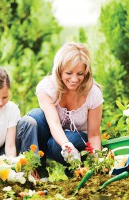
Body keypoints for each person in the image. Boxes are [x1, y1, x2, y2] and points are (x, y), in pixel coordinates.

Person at [27, 42, 103, 177]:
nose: (74, 79)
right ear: (59, 70)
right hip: (55, 140)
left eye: (80, 74)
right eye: (69, 73)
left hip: (78, 141)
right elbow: (53, 123)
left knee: (65, 141)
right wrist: (67, 147)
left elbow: (94, 134)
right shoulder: (47, 87)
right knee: (35, 116)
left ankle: (75, 172)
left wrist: (98, 162)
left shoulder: (93, 93)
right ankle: (39, 172)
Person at [0, 65, 38, 158]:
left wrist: (11, 167)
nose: (0, 102)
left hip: (0, 155)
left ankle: (31, 167)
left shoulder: (11, 109)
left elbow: (10, 146)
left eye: (5, 97)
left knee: (29, 122)